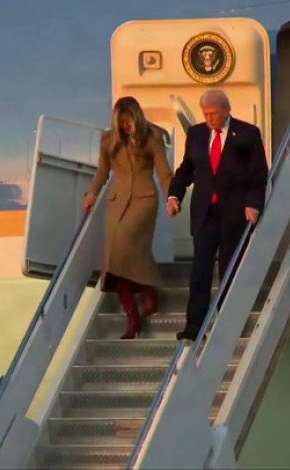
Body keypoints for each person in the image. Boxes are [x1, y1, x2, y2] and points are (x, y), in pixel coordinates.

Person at [166, 90, 268, 341]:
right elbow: (186, 169)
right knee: (200, 270)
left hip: (233, 213)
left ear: (226, 110)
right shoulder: (197, 134)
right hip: (205, 214)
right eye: (205, 114)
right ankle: (194, 326)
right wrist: (174, 195)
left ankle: (229, 322)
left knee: (229, 268)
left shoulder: (247, 134)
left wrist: (253, 204)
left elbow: (258, 174)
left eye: (213, 114)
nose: (209, 118)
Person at [83, 96, 174, 339]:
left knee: (129, 249)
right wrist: (92, 193)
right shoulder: (107, 141)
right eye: (121, 122)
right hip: (116, 202)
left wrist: (172, 197)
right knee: (115, 259)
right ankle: (133, 317)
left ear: (136, 119)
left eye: (128, 122)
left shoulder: (152, 137)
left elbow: (164, 171)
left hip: (144, 200)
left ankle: (149, 292)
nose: (124, 127)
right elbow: (102, 171)